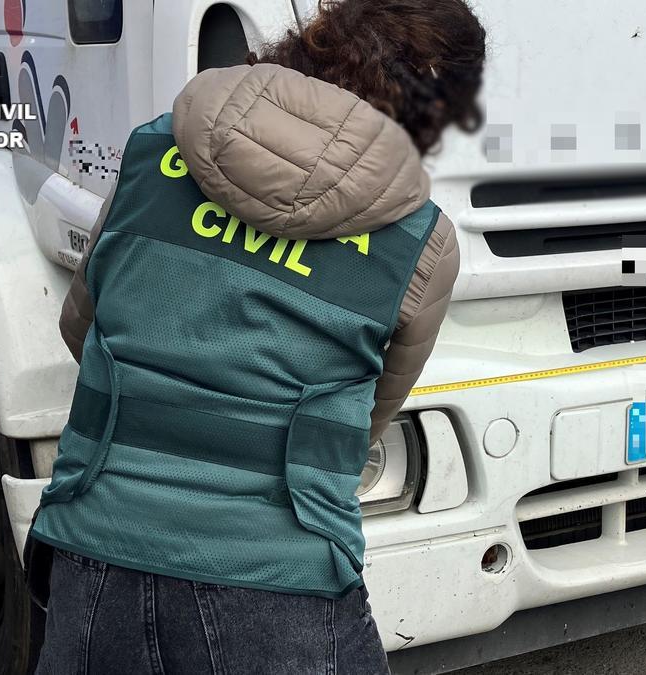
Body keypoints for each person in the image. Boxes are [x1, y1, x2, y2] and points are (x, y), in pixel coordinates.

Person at [27, 0, 486, 672]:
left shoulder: (156, 149)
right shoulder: (420, 242)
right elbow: (362, 420)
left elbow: (83, 328)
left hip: (93, 548)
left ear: (318, 44)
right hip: (280, 584)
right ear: (434, 102)